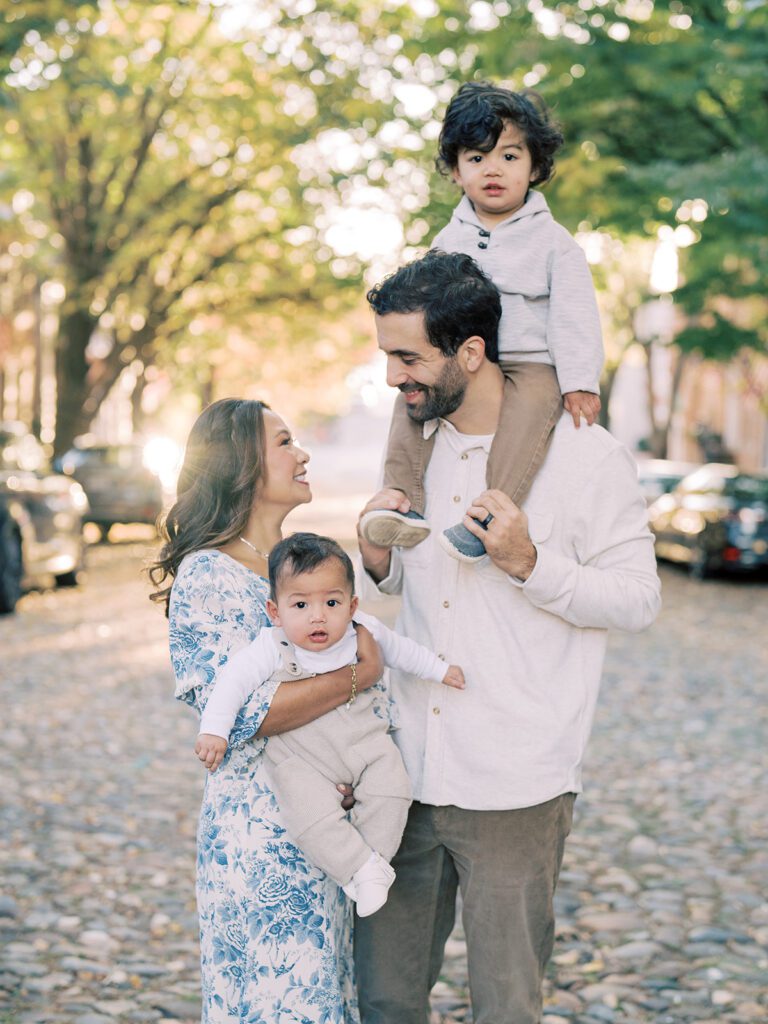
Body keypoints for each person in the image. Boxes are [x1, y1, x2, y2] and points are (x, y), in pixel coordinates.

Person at [354, 250, 661, 1024]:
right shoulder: (413, 448)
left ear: (470, 352)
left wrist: (530, 562)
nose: (394, 377)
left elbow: (638, 600)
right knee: (384, 1000)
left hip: (516, 784)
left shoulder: (585, 456)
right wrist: (377, 560)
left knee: (506, 1007)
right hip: (403, 777)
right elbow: (407, 598)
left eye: (407, 357)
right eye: (387, 356)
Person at [149, 398, 385, 1024]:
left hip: (324, 830)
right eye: (285, 443)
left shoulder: (295, 569)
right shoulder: (210, 575)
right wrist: (358, 673)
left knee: (319, 999)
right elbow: (249, 711)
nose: (302, 453)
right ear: (244, 465)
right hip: (260, 836)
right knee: (275, 1003)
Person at [360, 81, 604, 563]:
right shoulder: (447, 240)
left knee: (526, 423)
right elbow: (425, 310)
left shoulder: (556, 244)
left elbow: (575, 316)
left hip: (532, 363)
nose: (493, 169)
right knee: (411, 401)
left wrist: (579, 381)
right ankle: (400, 503)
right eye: (476, 158)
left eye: (510, 157)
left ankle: (489, 517)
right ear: (456, 171)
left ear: (535, 168)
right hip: (465, 363)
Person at [195, 532, 465, 918]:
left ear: (352, 605)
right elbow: (232, 683)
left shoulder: (362, 632)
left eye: (332, 602)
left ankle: (373, 864)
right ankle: (355, 866)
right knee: (309, 817)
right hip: (302, 759)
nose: (317, 615)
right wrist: (214, 731)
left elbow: (404, 652)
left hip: (364, 743)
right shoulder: (271, 646)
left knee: (393, 790)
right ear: (275, 612)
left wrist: (439, 670)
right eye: (301, 604)